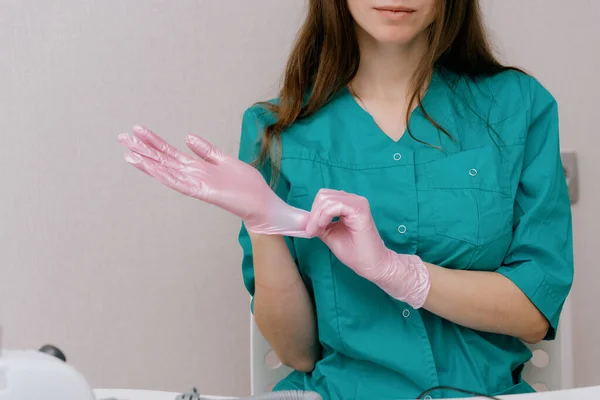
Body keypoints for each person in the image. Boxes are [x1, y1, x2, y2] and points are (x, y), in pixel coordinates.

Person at [118, 0, 574, 398]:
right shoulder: (277, 131)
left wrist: (402, 275)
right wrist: (264, 224)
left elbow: (535, 311)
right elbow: (296, 351)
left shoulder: (518, 107)